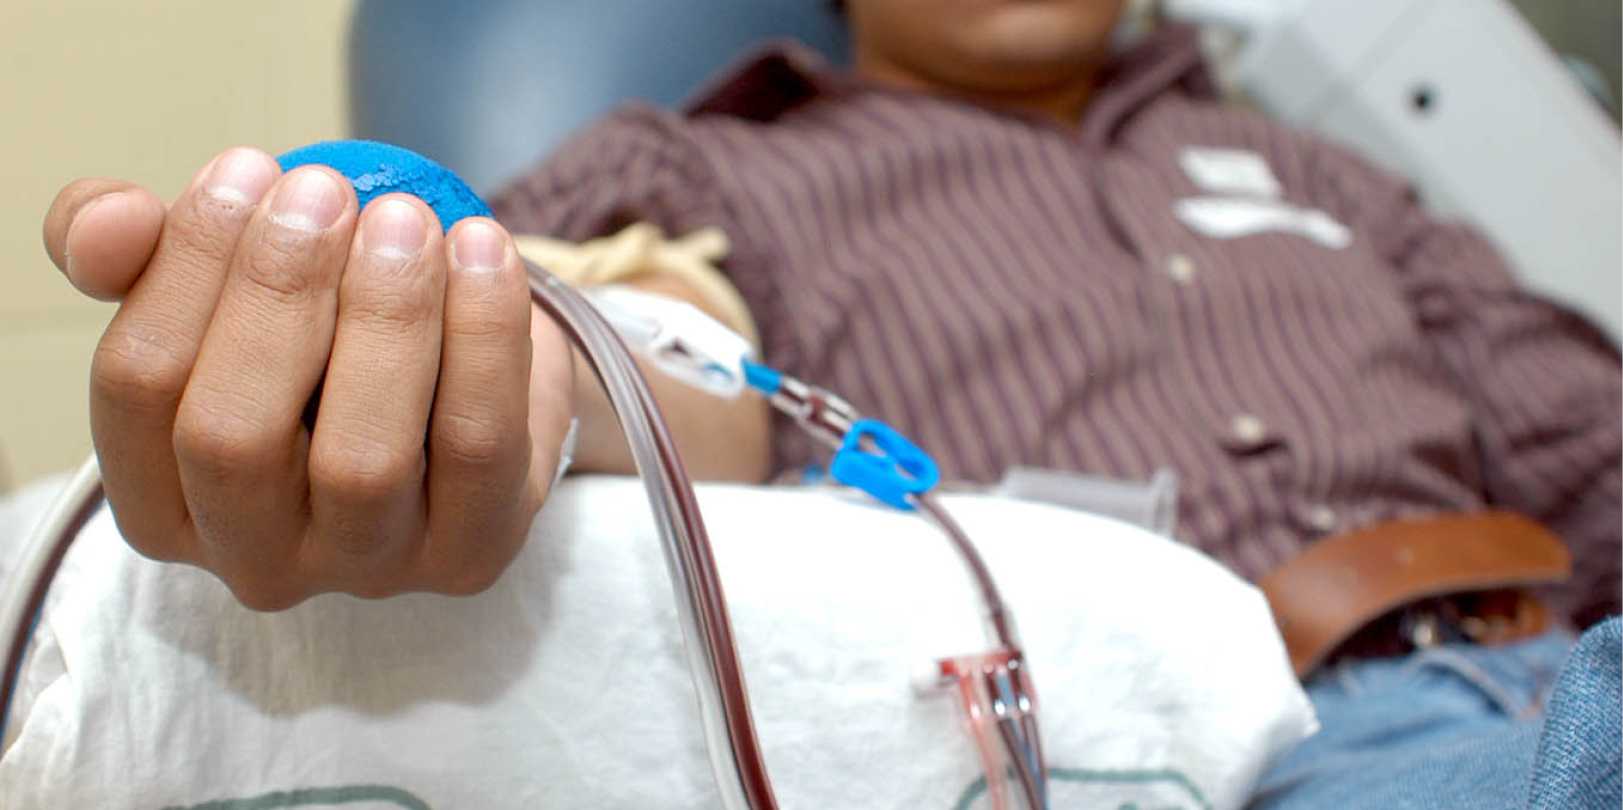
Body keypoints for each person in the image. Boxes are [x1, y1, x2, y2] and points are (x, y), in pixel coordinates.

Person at [38, 0, 1620, 805]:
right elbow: (650, 343)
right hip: (1263, 747)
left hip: (1566, 658)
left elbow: (1588, 441)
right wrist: (484, 383)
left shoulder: (1327, 174)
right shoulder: (725, 163)